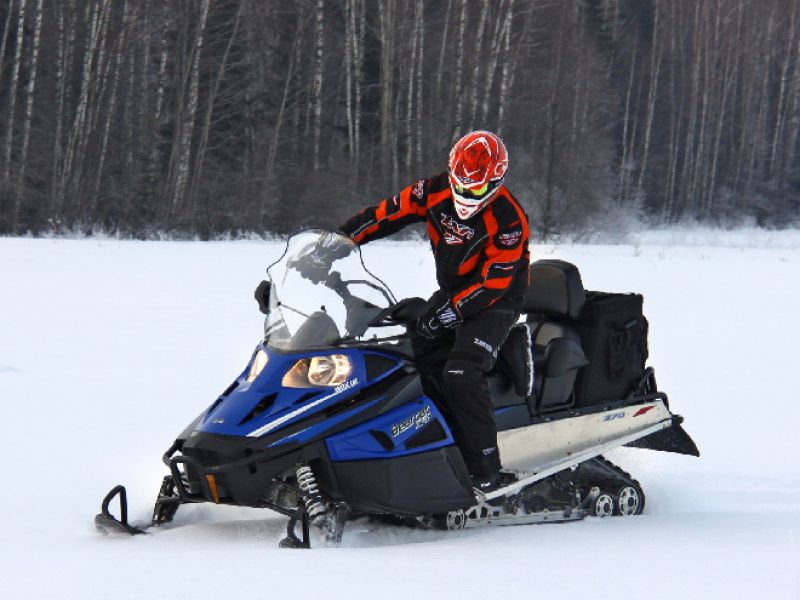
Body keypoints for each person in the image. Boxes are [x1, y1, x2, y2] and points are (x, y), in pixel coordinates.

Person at [338, 131, 530, 494]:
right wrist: (341, 239)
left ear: (495, 183)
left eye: (476, 189)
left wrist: (447, 313)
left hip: (497, 300)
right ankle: (429, 446)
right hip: (454, 290)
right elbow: (387, 214)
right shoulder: (432, 191)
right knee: (410, 354)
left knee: (461, 371)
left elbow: (493, 283)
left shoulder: (508, 220)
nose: (465, 196)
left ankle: (485, 469)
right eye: (460, 185)